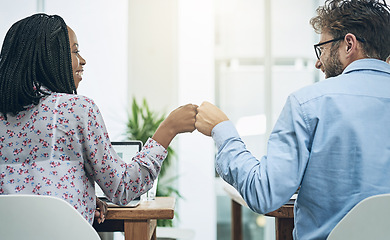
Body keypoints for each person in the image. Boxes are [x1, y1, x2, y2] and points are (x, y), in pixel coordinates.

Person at [195, 0, 390, 239]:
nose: (319, 62)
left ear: (349, 44)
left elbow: (264, 194)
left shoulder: (309, 103)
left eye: (323, 48)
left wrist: (222, 131)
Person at [0, 13, 197, 225]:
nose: (82, 60)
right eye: (75, 51)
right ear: (51, 58)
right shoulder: (77, 110)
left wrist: (80, 196)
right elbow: (122, 188)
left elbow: (21, 192)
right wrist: (168, 129)